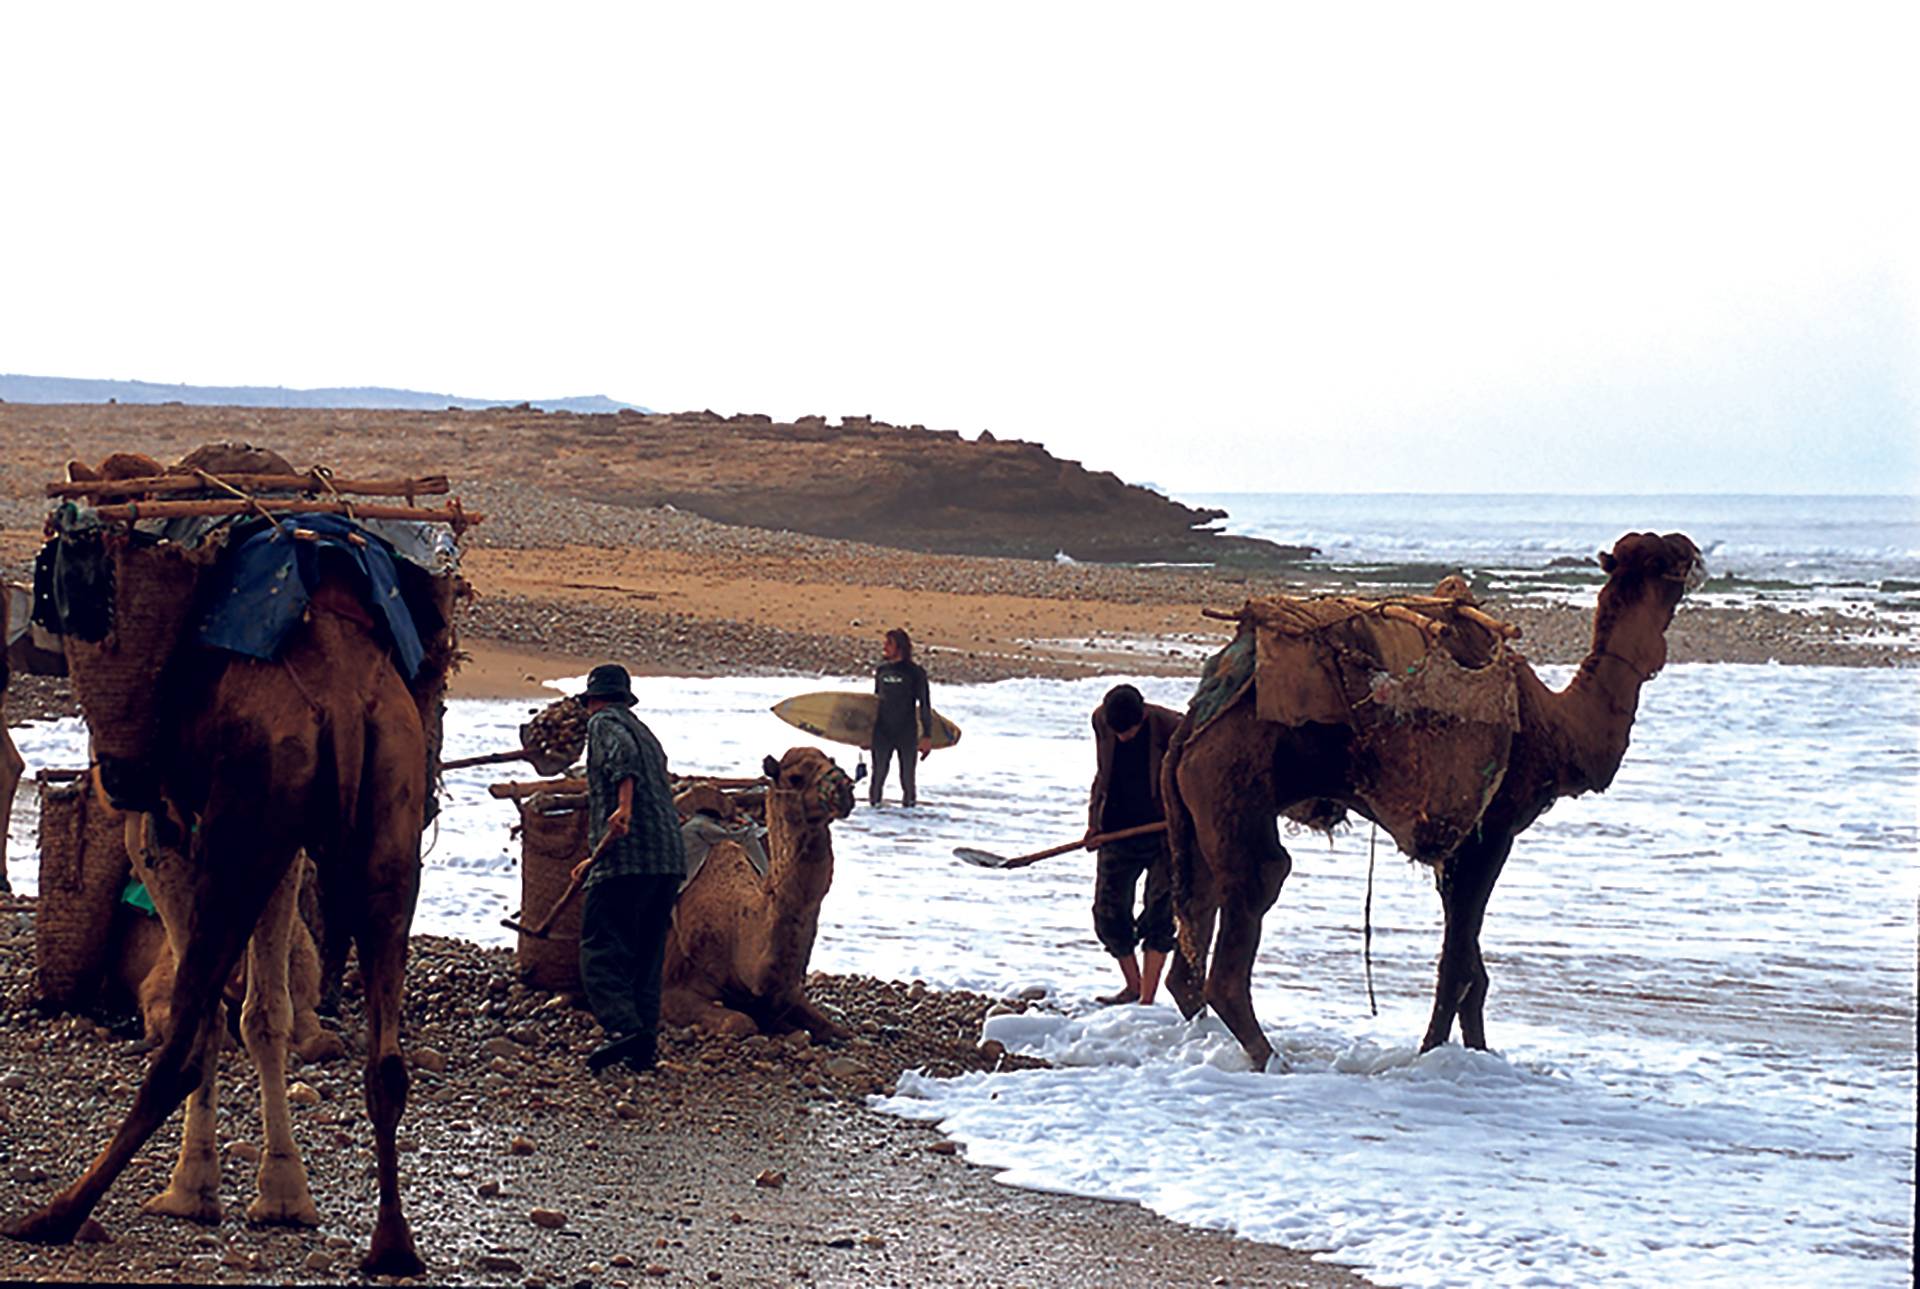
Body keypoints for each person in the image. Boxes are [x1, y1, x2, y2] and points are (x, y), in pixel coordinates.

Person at [574, 663, 687, 1074]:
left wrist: (621, 808)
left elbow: (621, 761)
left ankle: (623, 1027)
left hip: (628, 856)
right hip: (669, 857)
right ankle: (643, 1047)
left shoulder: (604, 723)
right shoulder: (647, 733)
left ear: (595, 701)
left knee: (599, 948)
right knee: (646, 953)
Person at [1085, 683, 1182, 1006]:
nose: (1123, 736)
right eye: (1118, 731)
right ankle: (1133, 986)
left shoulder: (1174, 728)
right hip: (1116, 828)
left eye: (1129, 730)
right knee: (1108, 913)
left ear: (1143, 716)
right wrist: (1093, 824)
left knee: (1160, 914)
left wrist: (1184, 819)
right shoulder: (1102, 720)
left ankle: (1147, 1001)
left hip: (1164, 833)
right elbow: (1102, 775)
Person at [870, 627, 932, 807]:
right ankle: (874, 817)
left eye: (889, 643)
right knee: (878, 777)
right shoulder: (882, 671)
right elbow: (874, 703)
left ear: (901, 648)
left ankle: (910, 821)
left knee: (907, 780)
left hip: (907, 732)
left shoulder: (915, 673)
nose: (885, 646)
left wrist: (927, 736)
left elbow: (925, 705)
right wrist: (864, 734)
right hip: (882, 732)